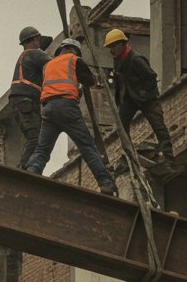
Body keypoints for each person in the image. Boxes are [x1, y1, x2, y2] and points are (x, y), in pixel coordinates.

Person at [21, 38, 119, 196]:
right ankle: (105, 182)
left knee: (42, 149)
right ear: (75, 51)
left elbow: (56, 85)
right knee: (87, 147)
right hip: (67, 108)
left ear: (60, 49)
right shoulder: (74, 60)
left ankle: (31, 172)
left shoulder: (48, 65)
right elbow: (88, 81)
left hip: (48, 109)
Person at [103, 29, 175, 163]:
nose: (111, 50)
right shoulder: (117, 60)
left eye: (113, 46)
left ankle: (168, 156)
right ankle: (130, 153)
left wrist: (144, 92)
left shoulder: (136, 59)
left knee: (158, 126)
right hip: (130, 99)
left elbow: (151, 77)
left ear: (122, 44)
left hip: (147, 99)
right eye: (109, 47)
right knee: (122, 126)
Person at [9, 26, 52, 164]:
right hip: (26, 101)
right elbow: (56, 65)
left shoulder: (24, 56)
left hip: (20, 102)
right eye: (37, 39)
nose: (39, 42)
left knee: (34, 137)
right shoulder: (35, 54)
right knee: (35, 138)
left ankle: (28, 167)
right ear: (32, 40)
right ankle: (24, 171)